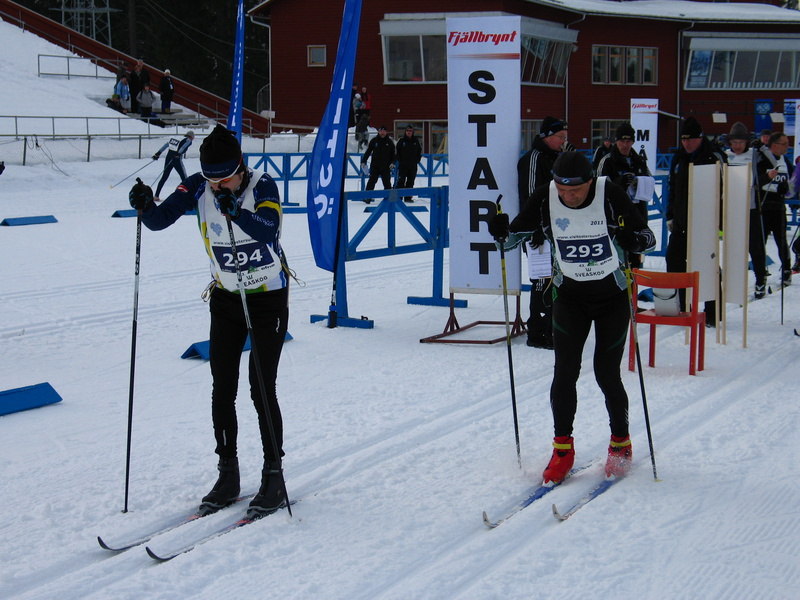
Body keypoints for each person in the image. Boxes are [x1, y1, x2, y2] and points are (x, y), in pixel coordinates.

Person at [127, 124, 290, 519]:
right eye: (213, 180)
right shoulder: (200, 186)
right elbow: (159, 220)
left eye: (226, 179)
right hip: (226, 298)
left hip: (267, 299)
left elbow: (268, 229)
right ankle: (227, 473)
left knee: (261, 387)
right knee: (222, 388)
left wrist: (239, 213)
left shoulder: (263, 186)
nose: (219, 187)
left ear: (241, 167)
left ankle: (273, 475)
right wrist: (144, 205)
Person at [489, 151, 656, 483]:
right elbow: (510, 242)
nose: (569, 196)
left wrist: (633, 240)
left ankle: (620, 443)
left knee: (607, 373)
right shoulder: (545, 197)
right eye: (563, 190)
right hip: (570, 297)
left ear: (590, 181)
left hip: (612, 298)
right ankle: (562, 449)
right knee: (564, 372)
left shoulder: (610, 193)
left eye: (576, 190)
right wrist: (500, 231)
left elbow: (648, 239)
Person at [665, 116, 726, 323]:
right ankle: (679, 306)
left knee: (707, 266)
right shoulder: (678, 158)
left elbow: (725, 190)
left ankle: (713, 312)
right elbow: (672, 188)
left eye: (690, 139)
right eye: (683, 139)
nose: (686, 143)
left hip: (705, 223)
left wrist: (720, 220)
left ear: (700, 138)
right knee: (674, 261)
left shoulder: (714, 156)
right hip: (681, 222)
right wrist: (670, 215)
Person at [516, 116, 567, 349]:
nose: (563, 141)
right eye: (560, 137)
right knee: (541, 281)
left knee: (558, 280)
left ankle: (554, 327)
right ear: (547, 136)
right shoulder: (534, 159)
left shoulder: (557, 158)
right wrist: (535, 228)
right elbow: (530, 197)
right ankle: (538, 332)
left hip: (559, 229)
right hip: (539, 232)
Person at [597, 122, 653, 268]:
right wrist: (619, 183)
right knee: (616, 260)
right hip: (615, 219)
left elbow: (650, 183)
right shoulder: (608, 161)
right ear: (616, 141)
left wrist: (639, 183)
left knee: (635, 261)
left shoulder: (639, 161)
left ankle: (634, 281)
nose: (625, 145)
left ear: (633, 142)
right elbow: (599, 188)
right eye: (622, 141)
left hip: (637, 215)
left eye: (628, 141)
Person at [726, 122, 768, 298]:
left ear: (747, 142)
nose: (737, 146)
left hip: (750, 208)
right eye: (734, 142)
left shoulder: (753, 155)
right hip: (731, 209)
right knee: (732, 248)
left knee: (755, 247)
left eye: (741, 142)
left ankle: (760, 280)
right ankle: (732, 282)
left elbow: (773, 162)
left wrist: (762, 148)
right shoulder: (726, 156)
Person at [755, 132, 794, 286]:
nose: (787, 147)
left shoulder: (785, 161)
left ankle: (786, 270)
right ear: (775, 145)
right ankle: (760, 273)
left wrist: (787, 188)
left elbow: (792, 181)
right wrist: (767, 178)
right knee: (760, 243)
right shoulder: (763, 159)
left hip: (778, 207)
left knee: (781, 241)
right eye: (784, 144)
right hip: (763, 207)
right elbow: (756, 180)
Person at [152, 130, 195, 199]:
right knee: (184, 177)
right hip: (176, 159)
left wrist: (158, 153)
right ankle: (189, 195)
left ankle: (156, 195)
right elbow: (183, 147)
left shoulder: (176, 138)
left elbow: (166, 145)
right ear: (191, 137)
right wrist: (178, 153)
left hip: (168, 158)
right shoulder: (188, 140)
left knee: (164, 177)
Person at [361, 125, 396, 202]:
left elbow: (393, 154)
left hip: (386, 166)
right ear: (378, 132)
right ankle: (367, 197)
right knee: (371, 181)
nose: (382, 133)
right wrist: (363, 161)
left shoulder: (390, 142)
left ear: (386, 132)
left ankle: (388, 198)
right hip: (375, 166)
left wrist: (393, 162)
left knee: (387, 183)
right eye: (381, 131)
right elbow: (368, 151)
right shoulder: (374, 141)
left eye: (384, 131)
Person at [395, 125, 422, 202]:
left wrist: (417, 160)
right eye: (407, 131)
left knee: (410, 182)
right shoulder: (401, 141)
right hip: (403, 165)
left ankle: (408, 197)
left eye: (410, 131)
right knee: (401, 181)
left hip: (412, 165)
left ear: (412, 132)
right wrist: (400, 160)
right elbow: (397, 152)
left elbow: (419, 151)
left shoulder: (416, 141)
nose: (409, 132)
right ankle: (399, 197)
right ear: (405, 132)